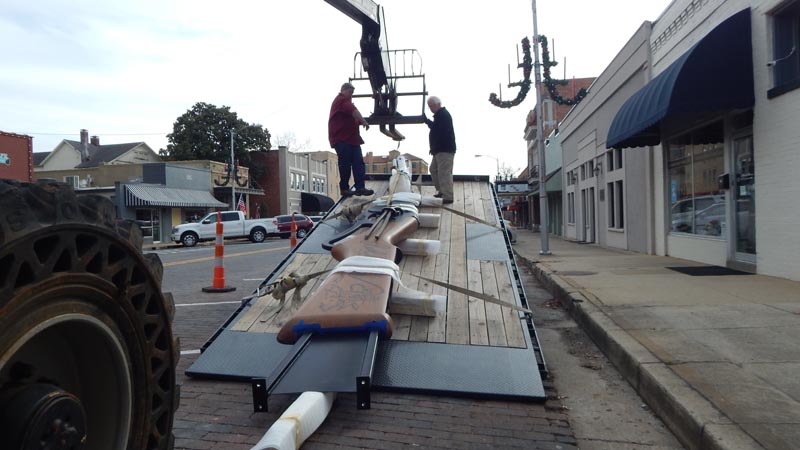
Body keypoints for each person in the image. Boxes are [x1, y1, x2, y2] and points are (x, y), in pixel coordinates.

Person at [328, 82, 373, 197]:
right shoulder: (341, 100)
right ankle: (344, 188)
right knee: (345, 164)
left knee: (358, 162)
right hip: (342, 139)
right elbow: (354, 111)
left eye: (352, 93)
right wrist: (364, 121)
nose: (351, 95)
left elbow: (353, 115)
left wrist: (359, 121)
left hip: (352, 139)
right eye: (350, 92)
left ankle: (360, 187)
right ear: (343, 90)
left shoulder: (346, 102)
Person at [424, 96, 456, 204]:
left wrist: (427, 121)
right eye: (429, 107)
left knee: (444, 173)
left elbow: (438, 131)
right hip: (440, 150)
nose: (431, 108)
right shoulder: (440, 115)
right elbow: (436, 129)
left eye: (432, 106)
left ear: (438, 104)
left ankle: (448, 196)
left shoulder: (443, 115)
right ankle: (442, 191)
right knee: (434, 169)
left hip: (444, 150)